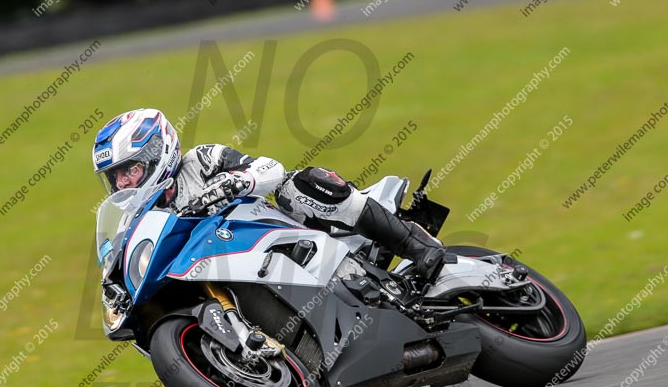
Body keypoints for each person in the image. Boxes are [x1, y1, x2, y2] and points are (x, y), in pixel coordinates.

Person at [92, 108, 445, 280]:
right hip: (234, 271)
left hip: (281, 237)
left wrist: (238, 181)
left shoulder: (200, 160)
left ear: (158, 152)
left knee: (298, 185)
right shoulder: (140, 222)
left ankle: (416, 244)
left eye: (130, 169)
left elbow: (269, 168)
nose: (123, 183)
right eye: (115, 176)